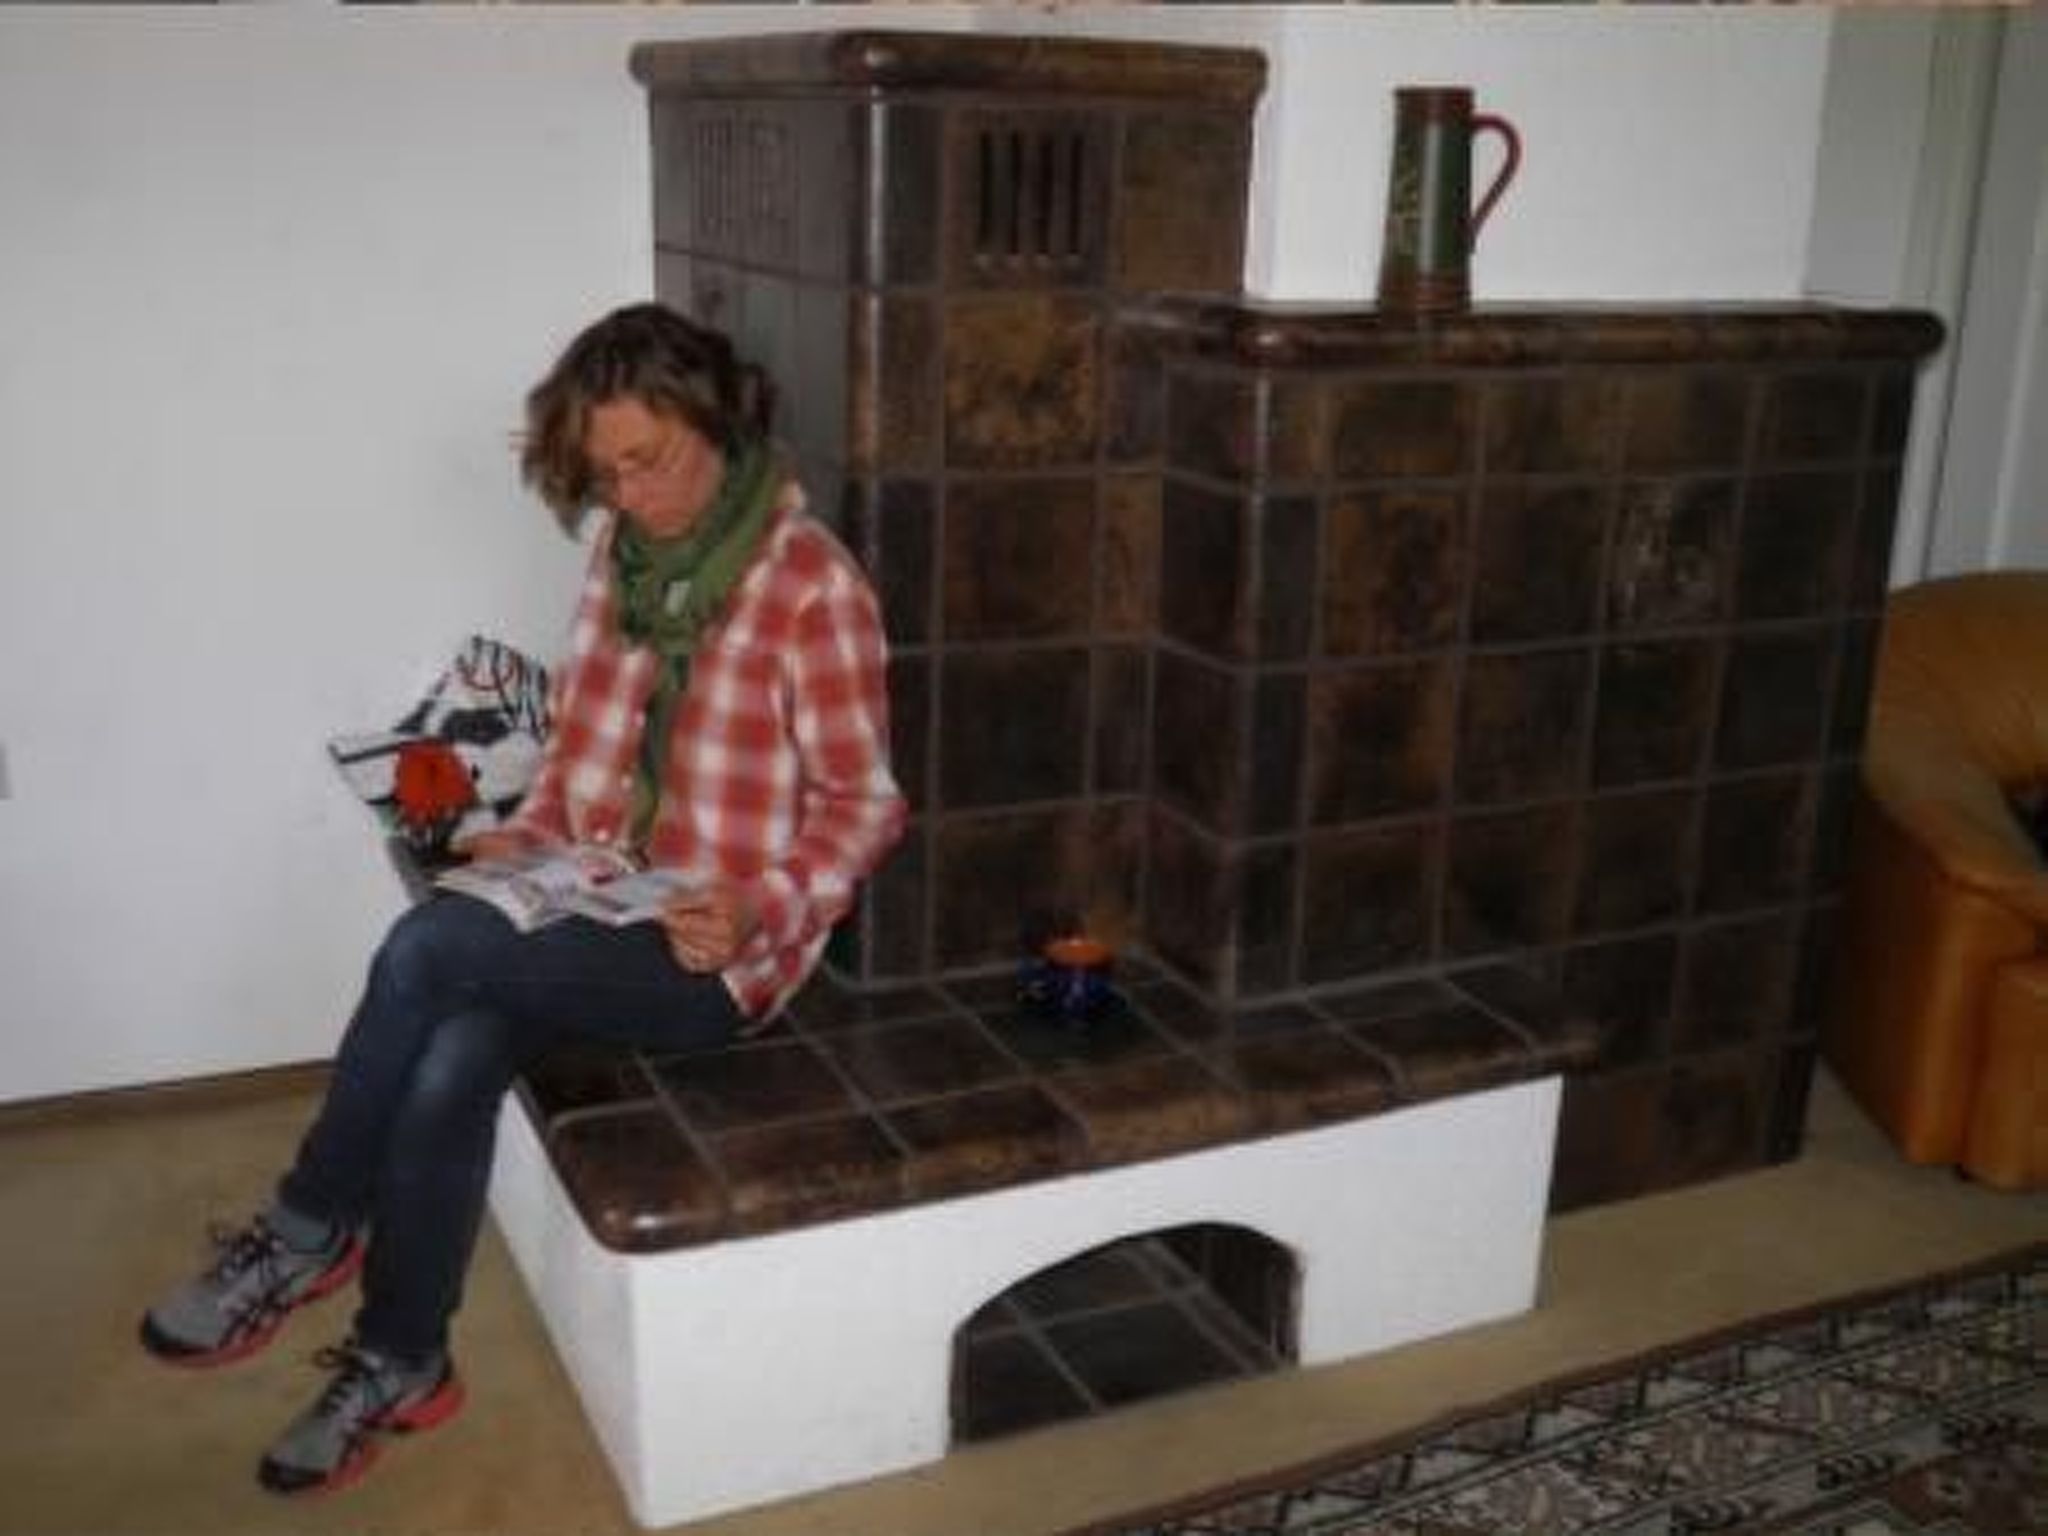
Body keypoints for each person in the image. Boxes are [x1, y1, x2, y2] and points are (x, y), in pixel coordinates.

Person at [139, 303, 907, 1496]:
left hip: (709, 949)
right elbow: (582, 745)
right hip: (596, 897)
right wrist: (532, 838)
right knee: (452, 1048)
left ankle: (307, 1225)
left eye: (648, 461)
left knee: (424, 952)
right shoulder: (620, 557)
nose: (627, 496)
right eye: (606, 474)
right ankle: (403, 1360)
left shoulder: (813, 587)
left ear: (716, 421)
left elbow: (866, 805)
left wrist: (762, 906)